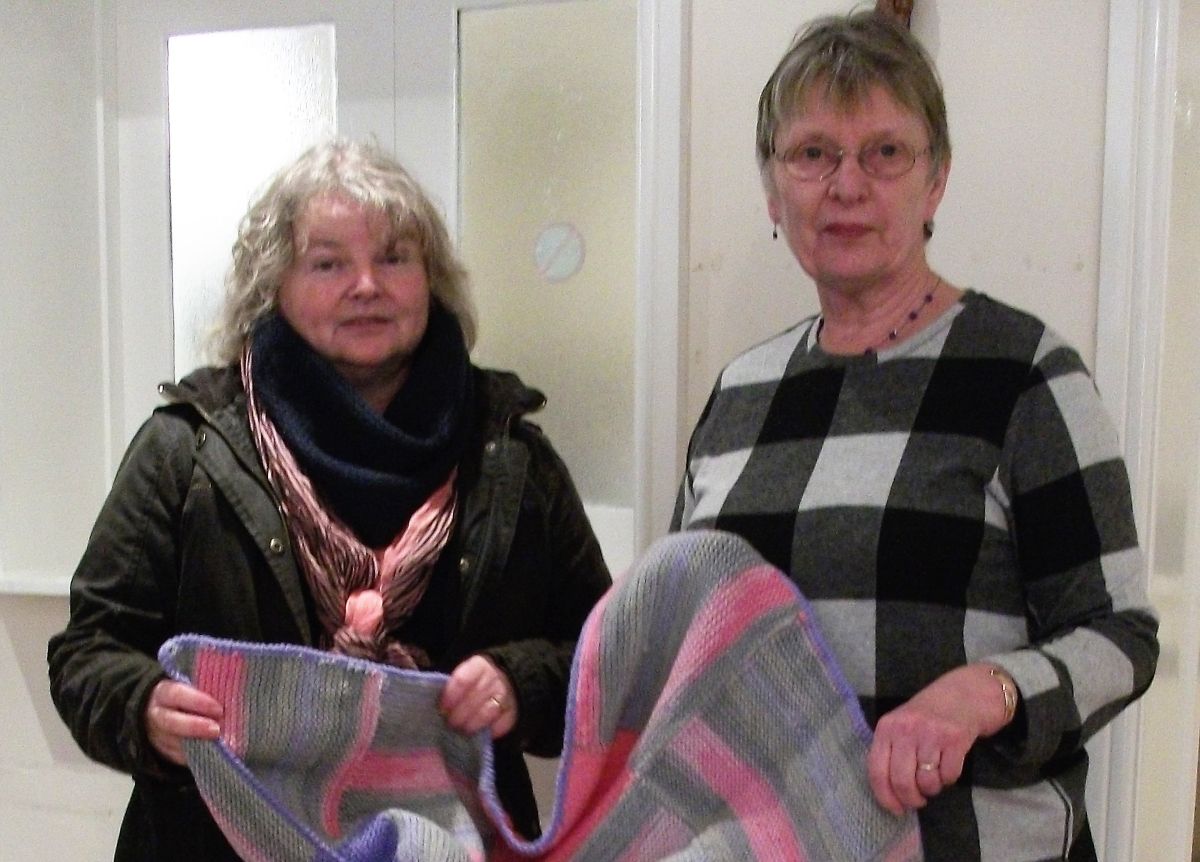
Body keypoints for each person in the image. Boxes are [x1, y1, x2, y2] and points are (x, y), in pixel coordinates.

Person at [672, 11, 1158, 861]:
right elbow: (691, 631)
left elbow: (1121, 637)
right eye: (813, 153)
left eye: (885, 153)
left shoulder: (1024, 374)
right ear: (772, 189)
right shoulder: (741, 391)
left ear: (934, 182)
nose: (847, 184)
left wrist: (991, 690)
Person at [47, 138, 611, 861]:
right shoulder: (187, 448)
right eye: (328, 263)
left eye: (395, 258)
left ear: (431, 280)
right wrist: (145, 708)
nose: (367, 285)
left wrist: (521, 682)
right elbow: (87, 651)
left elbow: (604, 658)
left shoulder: (510, 454)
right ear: (271, 286)